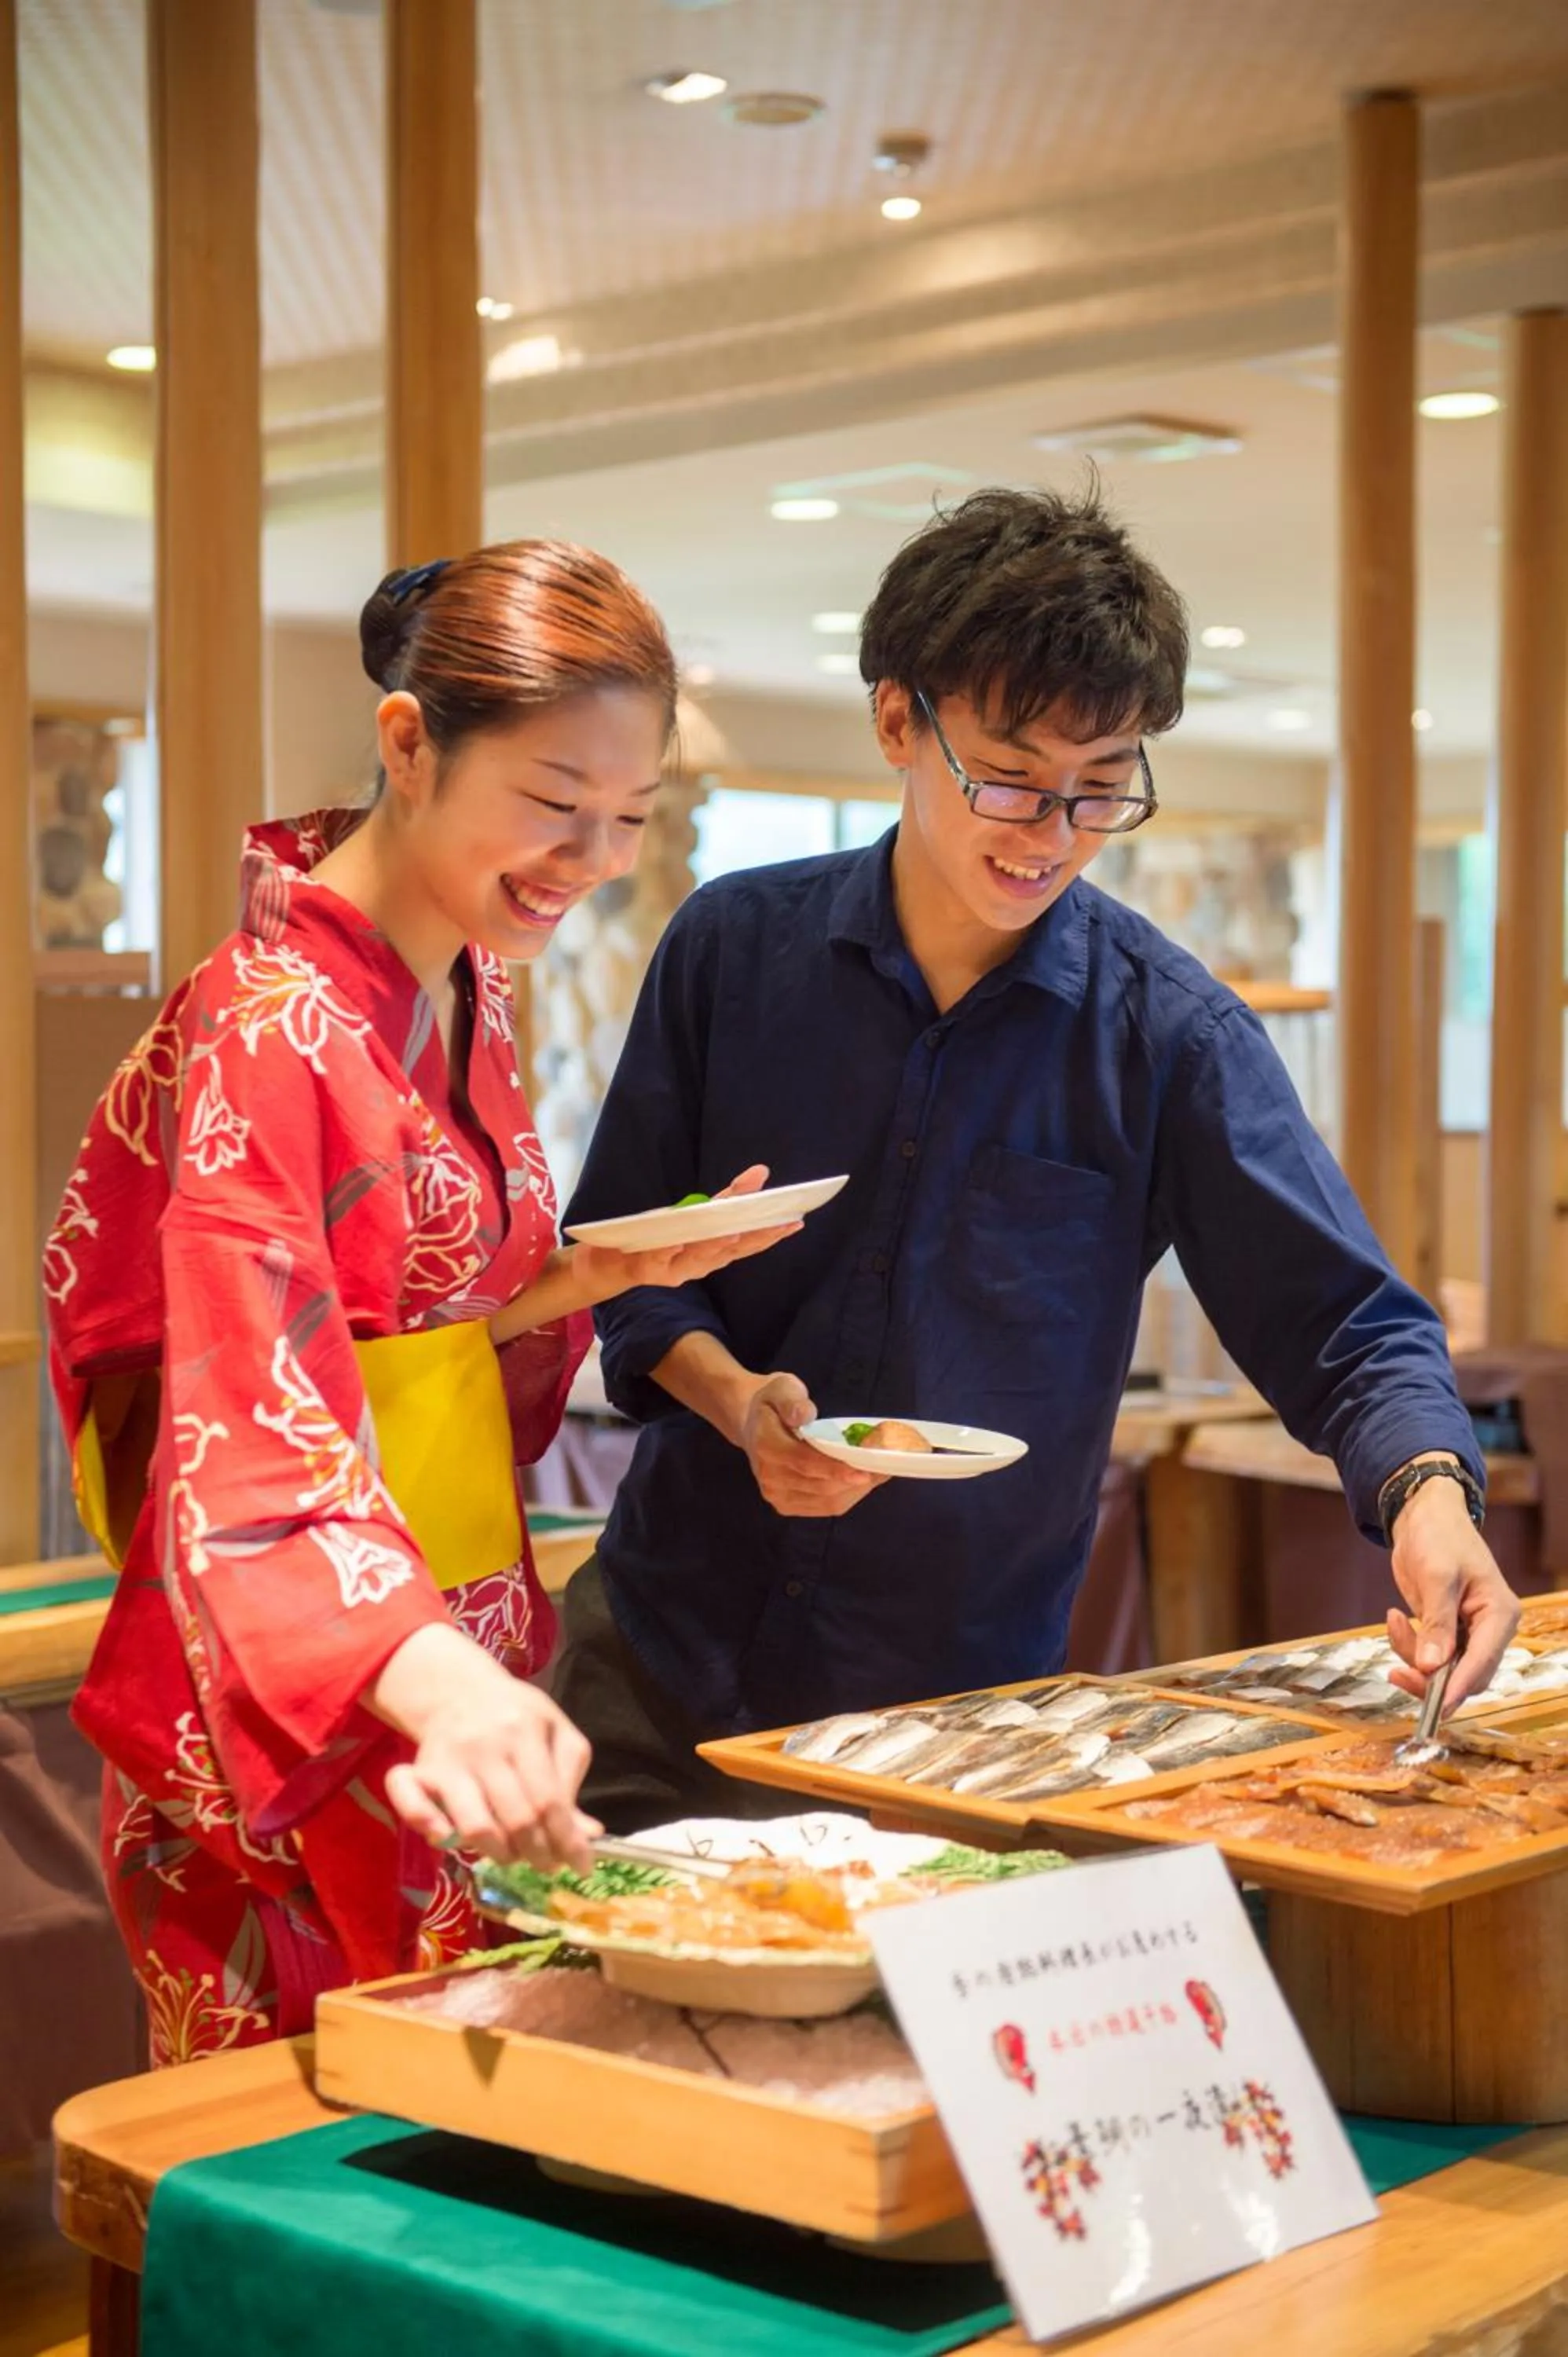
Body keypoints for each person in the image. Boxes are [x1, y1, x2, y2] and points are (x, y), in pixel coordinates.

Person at [555, 484, 1520, 1831]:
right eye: (1009, 779)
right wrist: (737, 1404)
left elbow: (1346, 1325)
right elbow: (627, 1268)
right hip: (656, 1671)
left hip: (953, 1724)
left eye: (1099, 792)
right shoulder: (731, 952)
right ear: (900, 718)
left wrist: (1431, 1505)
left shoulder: (1167, 1035)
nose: (1050, 836)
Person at [43, 541, 791, 2061]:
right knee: (303, 2144)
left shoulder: (470, 975)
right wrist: (430, 1674)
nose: (588, 858)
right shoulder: (273, 1021)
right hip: (311, 1668)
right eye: (553, 801)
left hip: (452, 1636)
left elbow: (408, 1327)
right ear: (408, 743)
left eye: (628, 819)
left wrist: (587, 1275)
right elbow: (251, 1408)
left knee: (462, 2102)